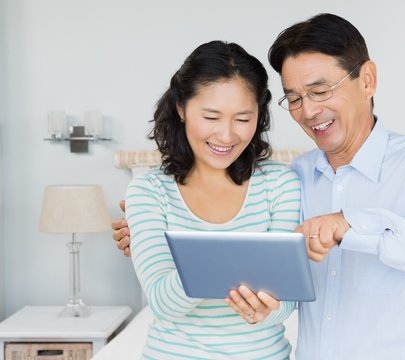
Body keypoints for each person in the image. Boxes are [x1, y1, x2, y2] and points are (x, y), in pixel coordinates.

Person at [114, 14, 405, 360]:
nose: (308, 111)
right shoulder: (295, 176)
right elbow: (278, 283)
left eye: (320, 91)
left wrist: (354, 224)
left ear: (367, 80)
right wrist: (166, 241)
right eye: (294, 98)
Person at [123, 40, 301, 359]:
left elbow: (284, 302)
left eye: (243, 119)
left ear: (259, 116)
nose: (226, 135)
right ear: (181, 108)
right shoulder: (149, 191)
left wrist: (264, 309)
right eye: (211, 116)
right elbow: (164, 303)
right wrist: (236, 260)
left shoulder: (280, 183)